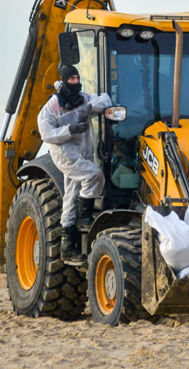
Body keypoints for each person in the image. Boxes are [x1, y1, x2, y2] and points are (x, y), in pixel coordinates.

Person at [38, 65, 112, 263]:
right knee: (94, 176)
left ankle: (67, 245)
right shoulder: (53, 106)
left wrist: (89, 107)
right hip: (64, 153)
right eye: (71, 78)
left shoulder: (83, 99)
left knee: (70, 195)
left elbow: (105, 99)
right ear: (63, 81)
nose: (75, 81)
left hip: (83, 151)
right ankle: (84, 217)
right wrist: (69, 129)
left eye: (77, 77)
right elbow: (47, 134)